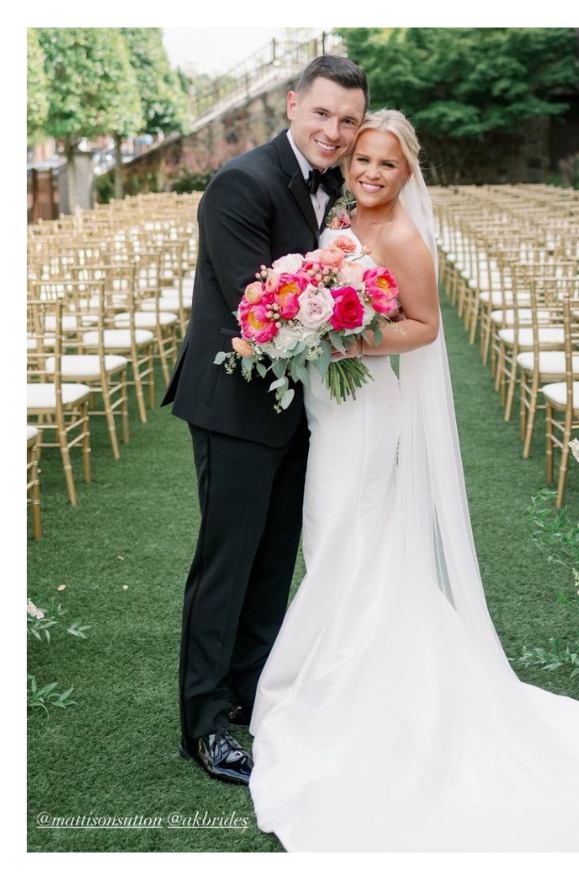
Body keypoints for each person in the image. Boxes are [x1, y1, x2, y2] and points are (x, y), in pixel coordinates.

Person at [245, 108, 579, 853]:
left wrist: (343, 333)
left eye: (386, 164)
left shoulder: (404, 235)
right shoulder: (347, 216)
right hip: (333, 407)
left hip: (368, 411)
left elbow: (425, 326)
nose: (371, 173)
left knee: (348, 531)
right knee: (337, 537)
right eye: (363, 161)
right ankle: (339, 671)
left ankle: (349, 689)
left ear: (408, 173)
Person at [161, 55, 369, 785]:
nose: (334, 131)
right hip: (236, 407)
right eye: (322, 114)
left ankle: (253, 693)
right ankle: (204, 722)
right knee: (227, 564)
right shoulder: (238, 185)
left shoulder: (343, 187)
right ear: (290, 105)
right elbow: (262, 306)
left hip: (301, 410)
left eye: (348, 120)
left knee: (275, 560)